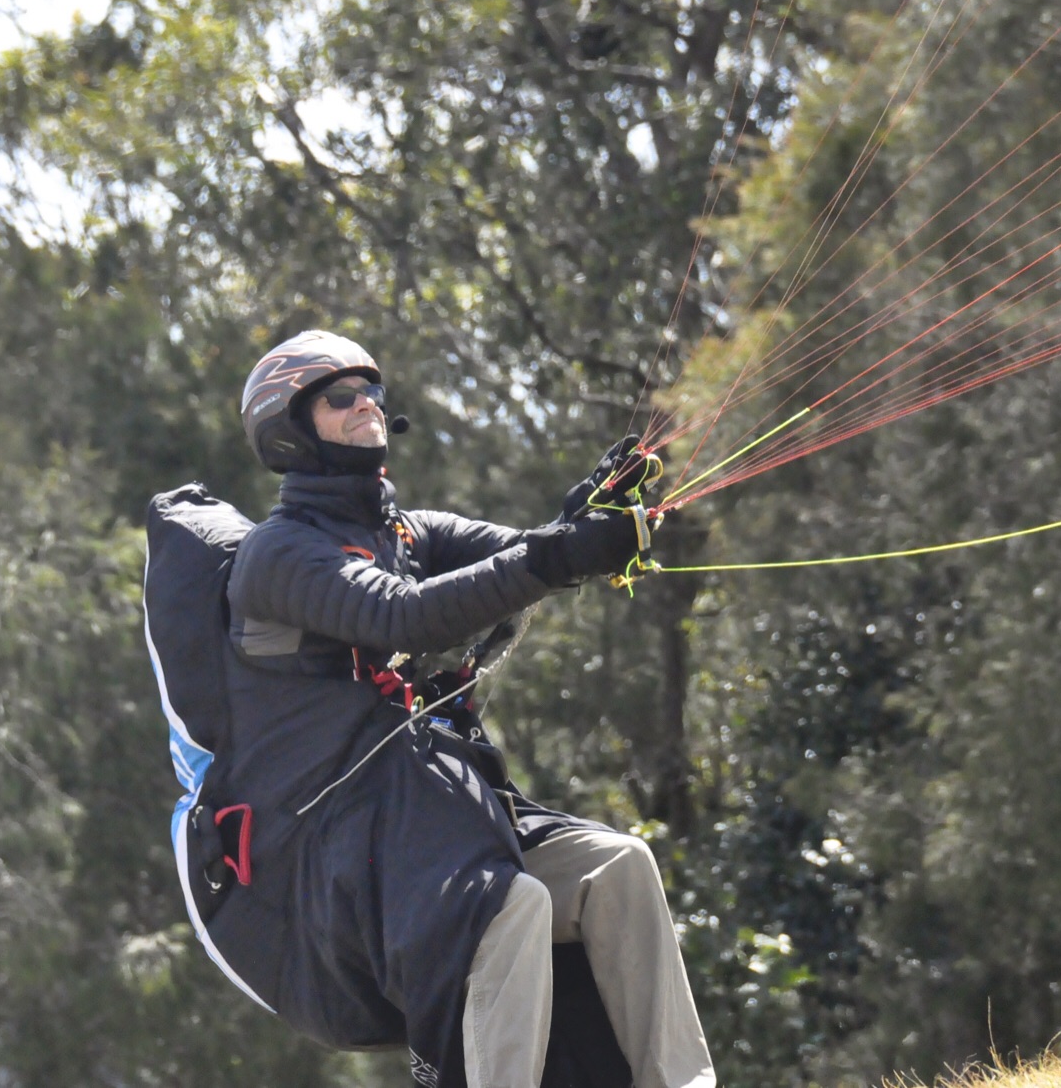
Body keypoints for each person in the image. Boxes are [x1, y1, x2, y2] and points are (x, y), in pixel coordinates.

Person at [180, 329, 716, 1088]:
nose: (367, 401)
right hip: (342, 858)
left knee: (616, 868)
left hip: (433, 822)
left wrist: (582, 527)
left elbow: (520, 558)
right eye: (340, 395)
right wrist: (555, 554)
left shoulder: (406, 531)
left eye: (373, 390)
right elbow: (407, 616)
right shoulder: (279, 555)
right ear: (288, 427)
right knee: (510, 905)